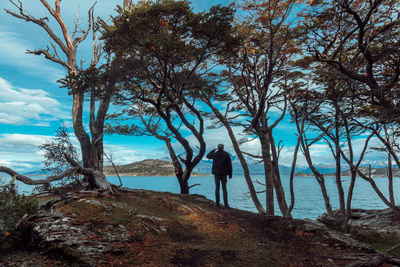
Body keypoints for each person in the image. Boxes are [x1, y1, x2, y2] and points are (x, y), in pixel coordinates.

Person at [206, 144, 232, 208]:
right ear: (223, 148)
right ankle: (226, 205)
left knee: (217, 189)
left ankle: (217, 204)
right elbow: (229, 165)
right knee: (224, 189)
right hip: (224, 174)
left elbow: (207, 156)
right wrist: (230, 174)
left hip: (216, 174)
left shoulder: (215, 154)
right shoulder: (226, 154)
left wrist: (213, 150)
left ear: (218, 148)